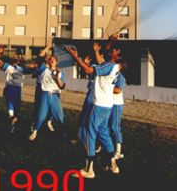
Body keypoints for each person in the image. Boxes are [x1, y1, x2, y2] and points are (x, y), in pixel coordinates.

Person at [64, 43, 122, 178]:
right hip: (107, 105)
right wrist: (95, 51)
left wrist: (74, 56)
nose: (109, 50)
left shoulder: (108, 66)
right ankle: (113, 163)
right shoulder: (111, 67)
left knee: (90, 132)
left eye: (113, 49)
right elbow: (96, 65)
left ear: (117, 54)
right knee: (104, 132)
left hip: (98, 104)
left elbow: (88, 70)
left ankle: (89, 169)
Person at [0, 46, 36, 134]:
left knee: (16, 108)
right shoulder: (8, 67)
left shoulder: (22, 69)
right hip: (9, 88)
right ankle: (11, 122)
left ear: (19, 61)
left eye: (17, 58)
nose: (16, 59)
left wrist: (33, 66)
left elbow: (33, 70)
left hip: (18, 89)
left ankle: (12, 125)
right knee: (10, 106)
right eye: (14, 58)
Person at [29, 55, 67, 141]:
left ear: (57, 62)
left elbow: (62, 86)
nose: (52, 60)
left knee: (59, 116)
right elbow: (39, 58)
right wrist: (46, 49)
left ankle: (63, 132)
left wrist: (57, 77)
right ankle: (35, 131)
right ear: (48, 62)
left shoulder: (60, 73)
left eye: (54, 59)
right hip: (45, 94)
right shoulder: (44, 70)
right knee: (41, 115)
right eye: (50, 59)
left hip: (55, 95)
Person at [31, 40, 54, 133]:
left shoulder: (52, 67)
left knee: (51, 106)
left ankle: (49, 121)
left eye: (50, 57)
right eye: (47, 57)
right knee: (38, 106)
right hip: (40, 87)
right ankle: (34, 123)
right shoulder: (42, 66)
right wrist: (47, 48)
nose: (48, 58)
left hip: (50, 88)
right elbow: (40, 55)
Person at [109, 64, 127, 159]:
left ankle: (118, 151)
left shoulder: (120, 77)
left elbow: (118, 90)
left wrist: (106, 88)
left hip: (116, 104)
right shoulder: (110, 75)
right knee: (106, 125)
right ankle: (104, 146)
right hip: (108, 103)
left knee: (114, 126)